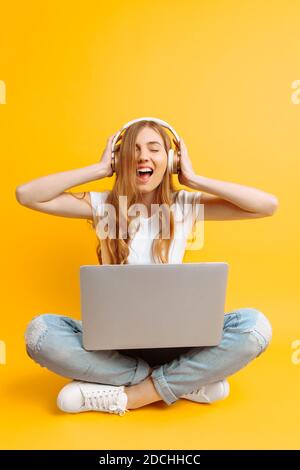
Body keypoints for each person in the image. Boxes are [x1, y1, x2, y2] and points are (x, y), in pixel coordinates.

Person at [16, 119, 278, 417]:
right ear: (119, 160)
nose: (143, 156)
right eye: (133, 150)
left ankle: (128, 395)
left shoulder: (185, 205)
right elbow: (27, 195)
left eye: (154, 149)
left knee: (255, 327)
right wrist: (100, 169)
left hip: (178, 339)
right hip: (113, 346)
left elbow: (266, 205)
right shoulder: (103, 205)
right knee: (40, 333)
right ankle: (183, 383)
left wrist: (194, 178)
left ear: (172, 160)